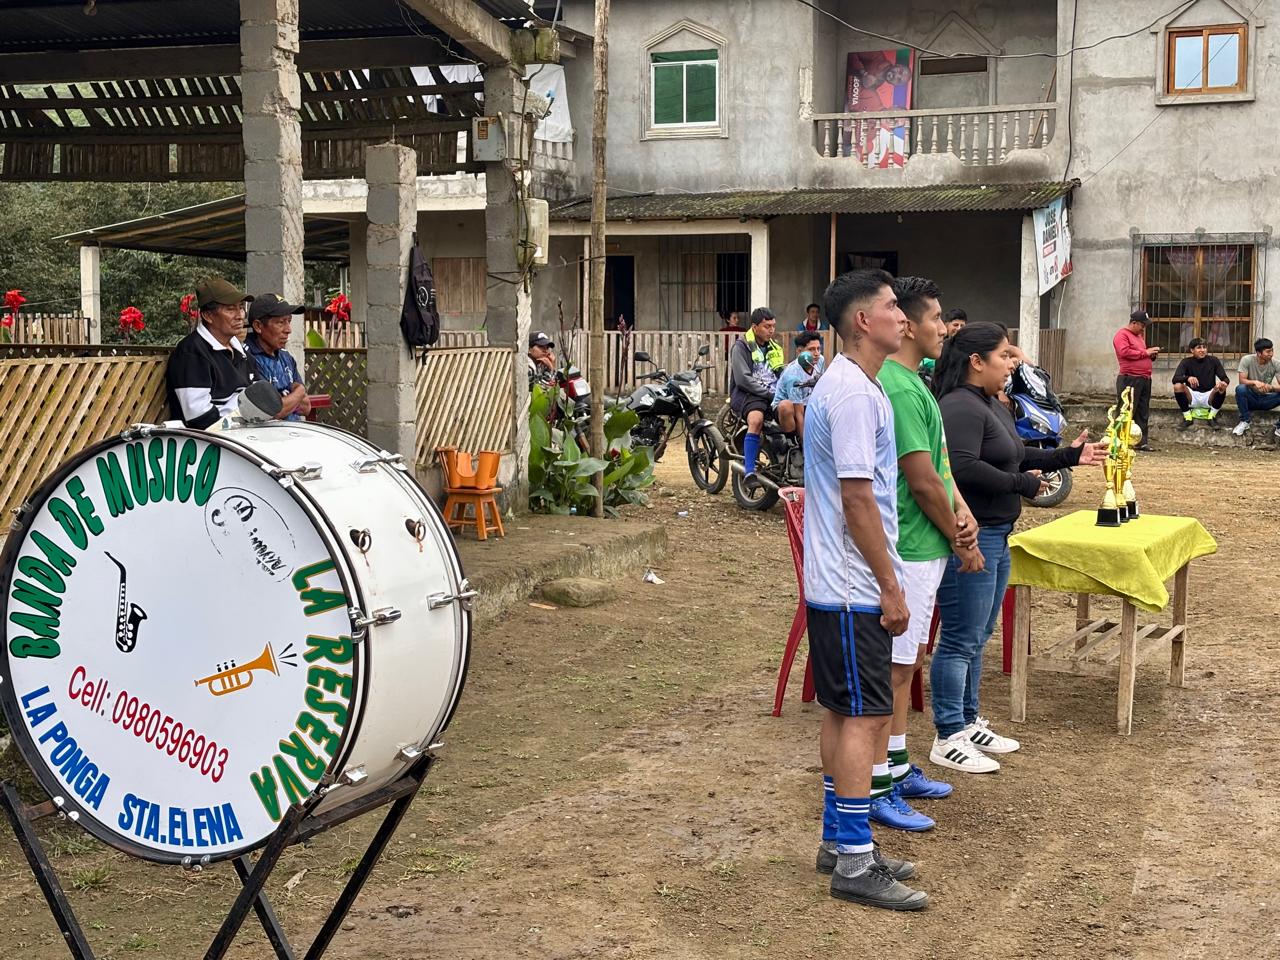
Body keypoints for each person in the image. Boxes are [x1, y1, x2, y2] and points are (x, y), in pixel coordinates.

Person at [930, 322, 1106, 774]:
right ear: (976, 362)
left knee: (978, 635)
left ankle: (968, 721)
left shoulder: (992, 404)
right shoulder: (959, 406)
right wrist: (1020, 485)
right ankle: (947, 734)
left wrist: (1068, 456)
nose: (1013, 364)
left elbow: (1017, 452)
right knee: (960, 638)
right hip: (971, 536)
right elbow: (962, 467)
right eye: (1005, 356)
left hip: (998, 533)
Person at [806, 269, 927, 911]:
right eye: (891, 307)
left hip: (838, 585)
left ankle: (839, 840)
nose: (903, 317)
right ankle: (854, 860)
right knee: (866, 716)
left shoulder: (856, 383)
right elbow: (858, 501)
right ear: (862, 321)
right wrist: (890, 587)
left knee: (842, 711)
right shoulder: (853, 393)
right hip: (854, 588)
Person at [873, 277, 983, 830]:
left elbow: (940, 465)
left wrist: (962, 513)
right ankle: (876, 783)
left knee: (908, 663)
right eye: (936, 318)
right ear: (911, 326)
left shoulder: (915, 383)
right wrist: (959, 534)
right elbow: (919, 479)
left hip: (927, 543)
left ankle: (896, 765)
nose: (945, 328)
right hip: (911, 545)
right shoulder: (895, 387)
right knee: (895, 671)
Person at [166, 278, 258, 429]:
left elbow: (260, 396)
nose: (240, 315)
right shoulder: (191, 353)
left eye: (241, 308)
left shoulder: (240, 350)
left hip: (243, 431)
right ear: (208, 316)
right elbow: (199, 418)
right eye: (230, 309)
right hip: (208, 439)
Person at [729, 308, 784, 485]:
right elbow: (743, 379)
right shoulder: (741, 346)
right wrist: (768, 394)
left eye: (773, 326)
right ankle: (749, 470)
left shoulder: (774, 347)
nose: (771, 330)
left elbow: (781, 373)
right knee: (756, 420)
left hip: (772, 393)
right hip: (748, 393)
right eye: (767, 326)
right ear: (754, 327)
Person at [246, 294, 311, 422]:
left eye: (289, 321)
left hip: (293, 430)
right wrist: (299, 391)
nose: (288, 330)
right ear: (258, 326)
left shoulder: (286, 357)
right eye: (281, 322)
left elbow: (306, 407)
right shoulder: (247, 357)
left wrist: (286, 401)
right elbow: (272, 411)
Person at [1113, 310, 1160, 451]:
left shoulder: (1139, 337)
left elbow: (1140, 354)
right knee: (1126, 410)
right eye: (1142, 325)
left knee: (1142, 411)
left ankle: (1140, 441)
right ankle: (1119, 441)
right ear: (1134, 323)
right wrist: (1145, 352)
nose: (1143, 328)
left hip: (1144, 378)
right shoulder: (1122, 335)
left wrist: (1150, 355)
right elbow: (1124, 352)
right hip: (1130, 378)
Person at [773, 331, 825, 441]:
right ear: (800, 351)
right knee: (786, 406)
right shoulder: (793, 374)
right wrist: (805, 445)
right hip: (789, 408)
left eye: (818, 349)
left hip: (807, 402)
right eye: (811, 349)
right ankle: (792, 441)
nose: (816, 353)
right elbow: (799, 412)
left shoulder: (820, 360)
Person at [1172, 338, 1229, 430]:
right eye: (1199, 347)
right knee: (1177, 386)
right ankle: (1187, 417)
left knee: (1222, 387)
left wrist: (1223, 383)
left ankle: (1211, 417)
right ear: (1192, 350)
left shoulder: (1213, 360)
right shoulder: (1186, 362)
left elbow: (1225, 378)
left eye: (1204, 347)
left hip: (1209, 396)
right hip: (1192, 396)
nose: (1202, 350)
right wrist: (1188, 378)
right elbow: (1175, 379)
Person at [1231, 338, 1280, 438]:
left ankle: (1279, 427)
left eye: (1272, 350)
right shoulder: (1247, 360)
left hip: (1267, 399)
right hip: (1251, 398)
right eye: (1268, 351)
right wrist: (1254, 382)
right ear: (1259, 353)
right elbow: (1242, 381)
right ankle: (1245, 421)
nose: (1271, 354)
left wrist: (1271, 387)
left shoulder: (1276, 363)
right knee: (1240, 389)